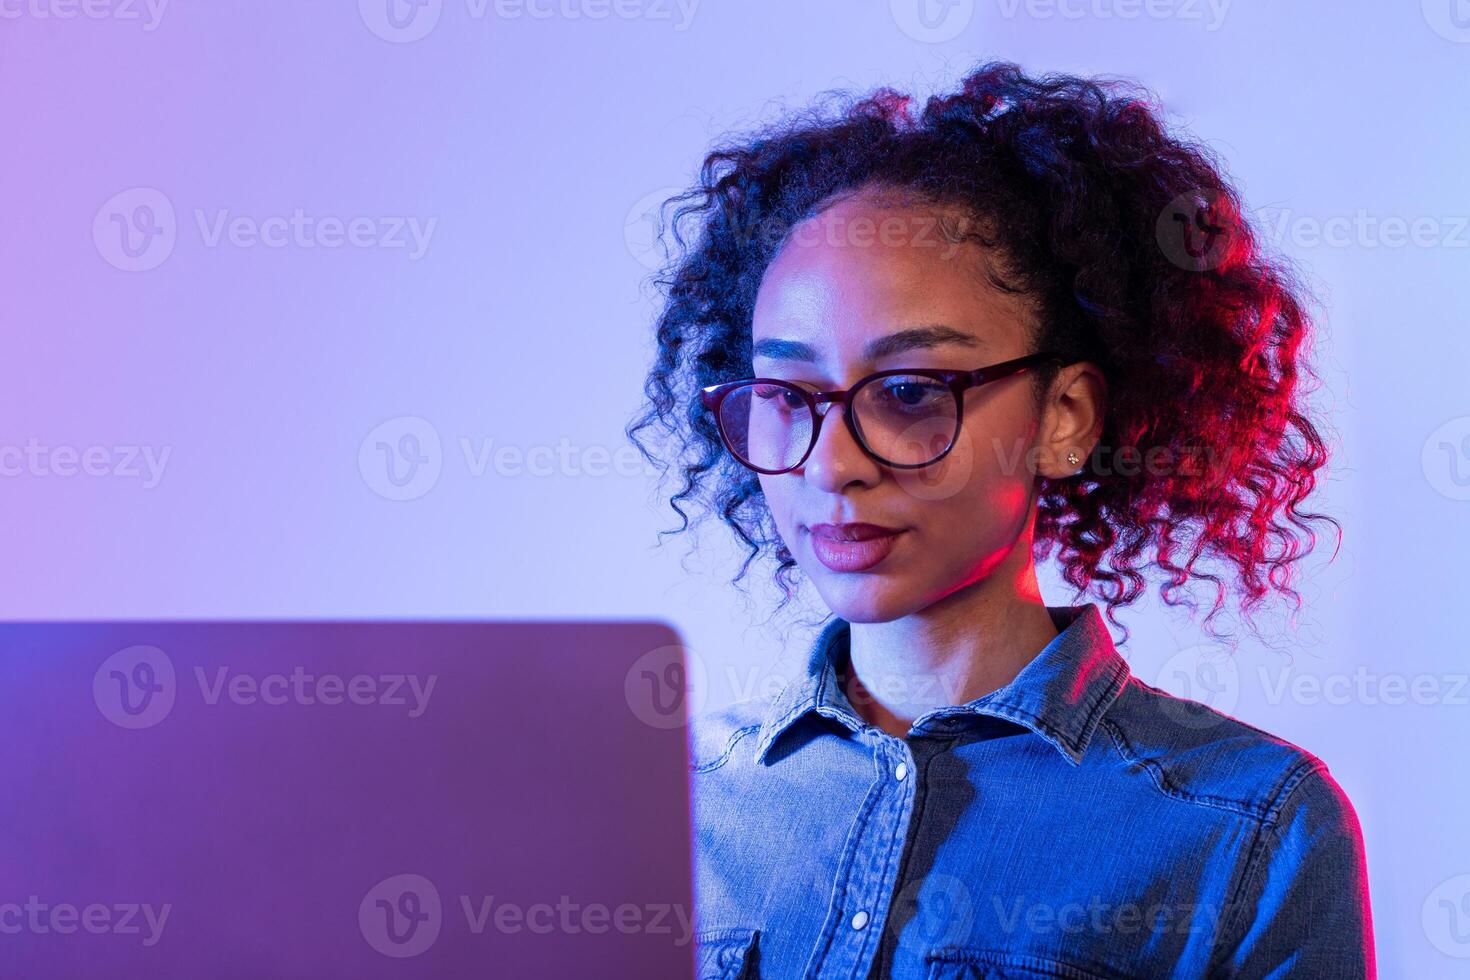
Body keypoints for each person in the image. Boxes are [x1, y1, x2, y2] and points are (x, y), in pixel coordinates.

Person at [626, 60, 1374, 979]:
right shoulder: (661, 811)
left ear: (1063, 419)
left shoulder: (1243, 829)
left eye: (908, 393)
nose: (830, 464)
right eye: (788, 393)